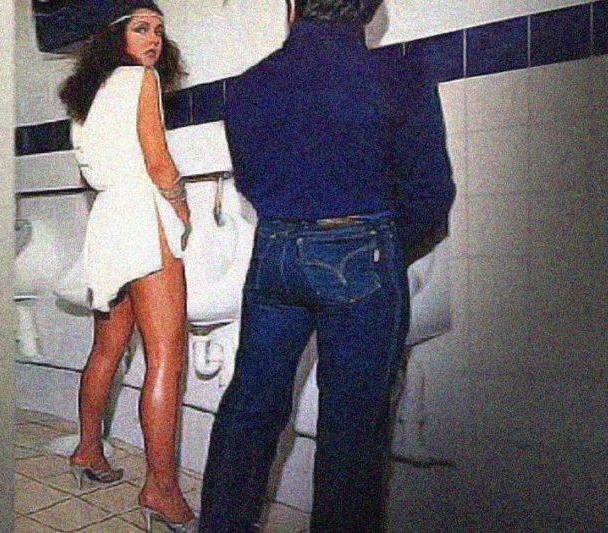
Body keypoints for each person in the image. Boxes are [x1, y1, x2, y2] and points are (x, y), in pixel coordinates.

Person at [199, 0, 456, 531]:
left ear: (294, 6)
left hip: (275, 251)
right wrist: (378, 246)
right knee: (352, 427)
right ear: (369, 9)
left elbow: (251, 182)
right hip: (361, 253)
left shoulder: (247, 87)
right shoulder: (400, 77)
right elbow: (432, 192)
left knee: (250, 409)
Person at [58, 2, 195, 531]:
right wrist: (180, 204)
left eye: (158, 30)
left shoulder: (84, 97)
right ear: (116, 37)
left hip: (107, 219)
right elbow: (158, 162)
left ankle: (87, 449)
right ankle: (161, 488)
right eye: (141, 29)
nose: (153, 39)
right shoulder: (141, 79)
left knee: (106, 349)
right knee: (166, 359)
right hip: (142, 215)